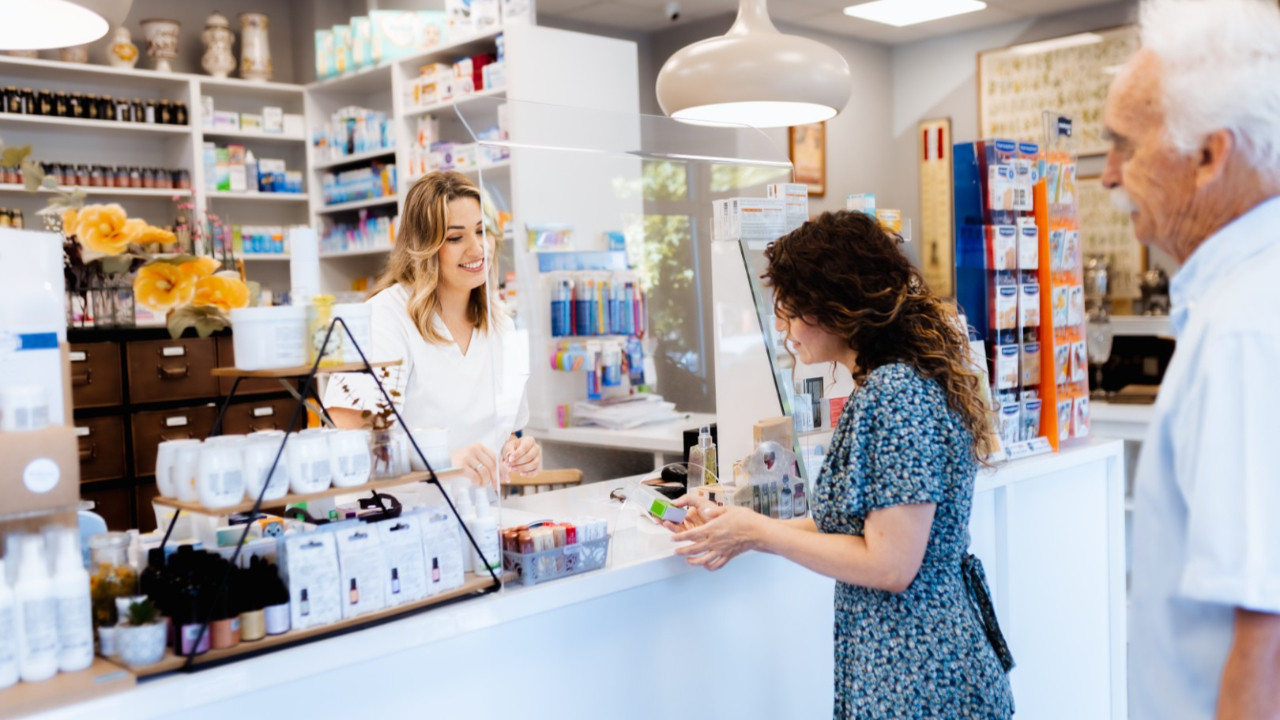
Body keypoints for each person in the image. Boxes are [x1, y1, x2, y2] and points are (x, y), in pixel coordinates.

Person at [669, 210, 1014, 719]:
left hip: (923, 673)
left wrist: (759, 535)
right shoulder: (882, 386)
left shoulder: (894, 394)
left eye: (790, 309)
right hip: (901, 663)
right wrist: (744, 526)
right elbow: (854, 526)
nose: (783, 327)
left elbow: (890, 564)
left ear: (834, 306)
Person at [1102, 1, 1280, 718]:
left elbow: (1263, 636)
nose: (1109, 176)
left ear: (1210, 155)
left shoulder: (1243, 329)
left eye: (1126, 147)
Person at [324, 171, 540, 488]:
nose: (478, 248)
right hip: (399, 520)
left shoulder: (501, 325)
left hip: (479, 520)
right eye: (455, 237)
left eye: (482, 231)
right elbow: (350, 442)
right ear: (423, 246)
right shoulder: (383, 318)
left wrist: (517, 450)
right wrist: (440, 462)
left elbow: (504, 430)